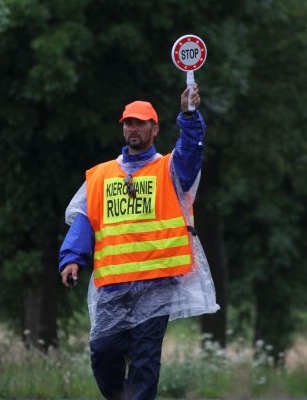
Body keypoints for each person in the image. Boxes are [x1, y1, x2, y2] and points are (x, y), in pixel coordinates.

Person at [58, 84, 219, 400]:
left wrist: (189, 115)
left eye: (140, 122)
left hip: (156, 285)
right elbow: (84, 221)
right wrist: (72, 259)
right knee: (103, 352)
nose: (133, 127)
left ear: (154, 128)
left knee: (145, 362)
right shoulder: (102, 176)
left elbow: (191, 149)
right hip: (113, 286)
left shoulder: (170, 170)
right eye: (128, 123)